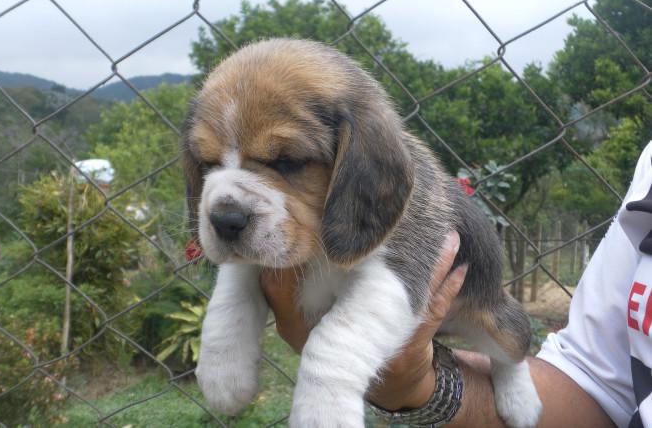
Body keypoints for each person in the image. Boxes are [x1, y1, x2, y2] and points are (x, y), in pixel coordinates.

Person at [260, 141, 652, 427]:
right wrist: (416, 384)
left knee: (508, 337)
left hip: (473, 296)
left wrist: (508, 370)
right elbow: (597, 380)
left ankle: (509, 367)